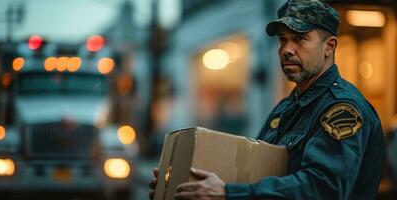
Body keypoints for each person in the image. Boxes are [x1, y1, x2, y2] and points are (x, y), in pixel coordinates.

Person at [149, 0, 385, 199]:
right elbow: (254, 171)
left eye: (300, 39)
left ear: (329, 47)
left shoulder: (342, 109)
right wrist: (186, 182)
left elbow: (323, 188)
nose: (286, 49)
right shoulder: (285, 108)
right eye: (283, 39)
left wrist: (227, 193)